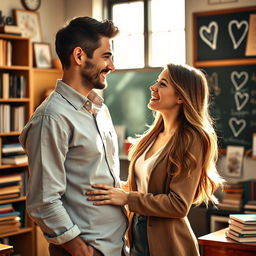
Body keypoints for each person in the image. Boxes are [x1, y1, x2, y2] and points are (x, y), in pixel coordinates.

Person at [86, 63, 224, 256]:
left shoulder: (192, 140)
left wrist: (127, 198)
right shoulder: (151, 137)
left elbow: (178, 205)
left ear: (181, 97)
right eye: (156, 81)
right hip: (136, 233)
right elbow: (146, 187)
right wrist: (114, 187)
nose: (153, 87)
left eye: (163, 84)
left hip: (168, 243)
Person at [19, 17, 128, 256]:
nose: (112, 66)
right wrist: (80, 250)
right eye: (106, 56)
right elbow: (44, 201)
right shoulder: (52, 118)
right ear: (79, 56)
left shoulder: (100, 109)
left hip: (117, 246)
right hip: (89, 250)